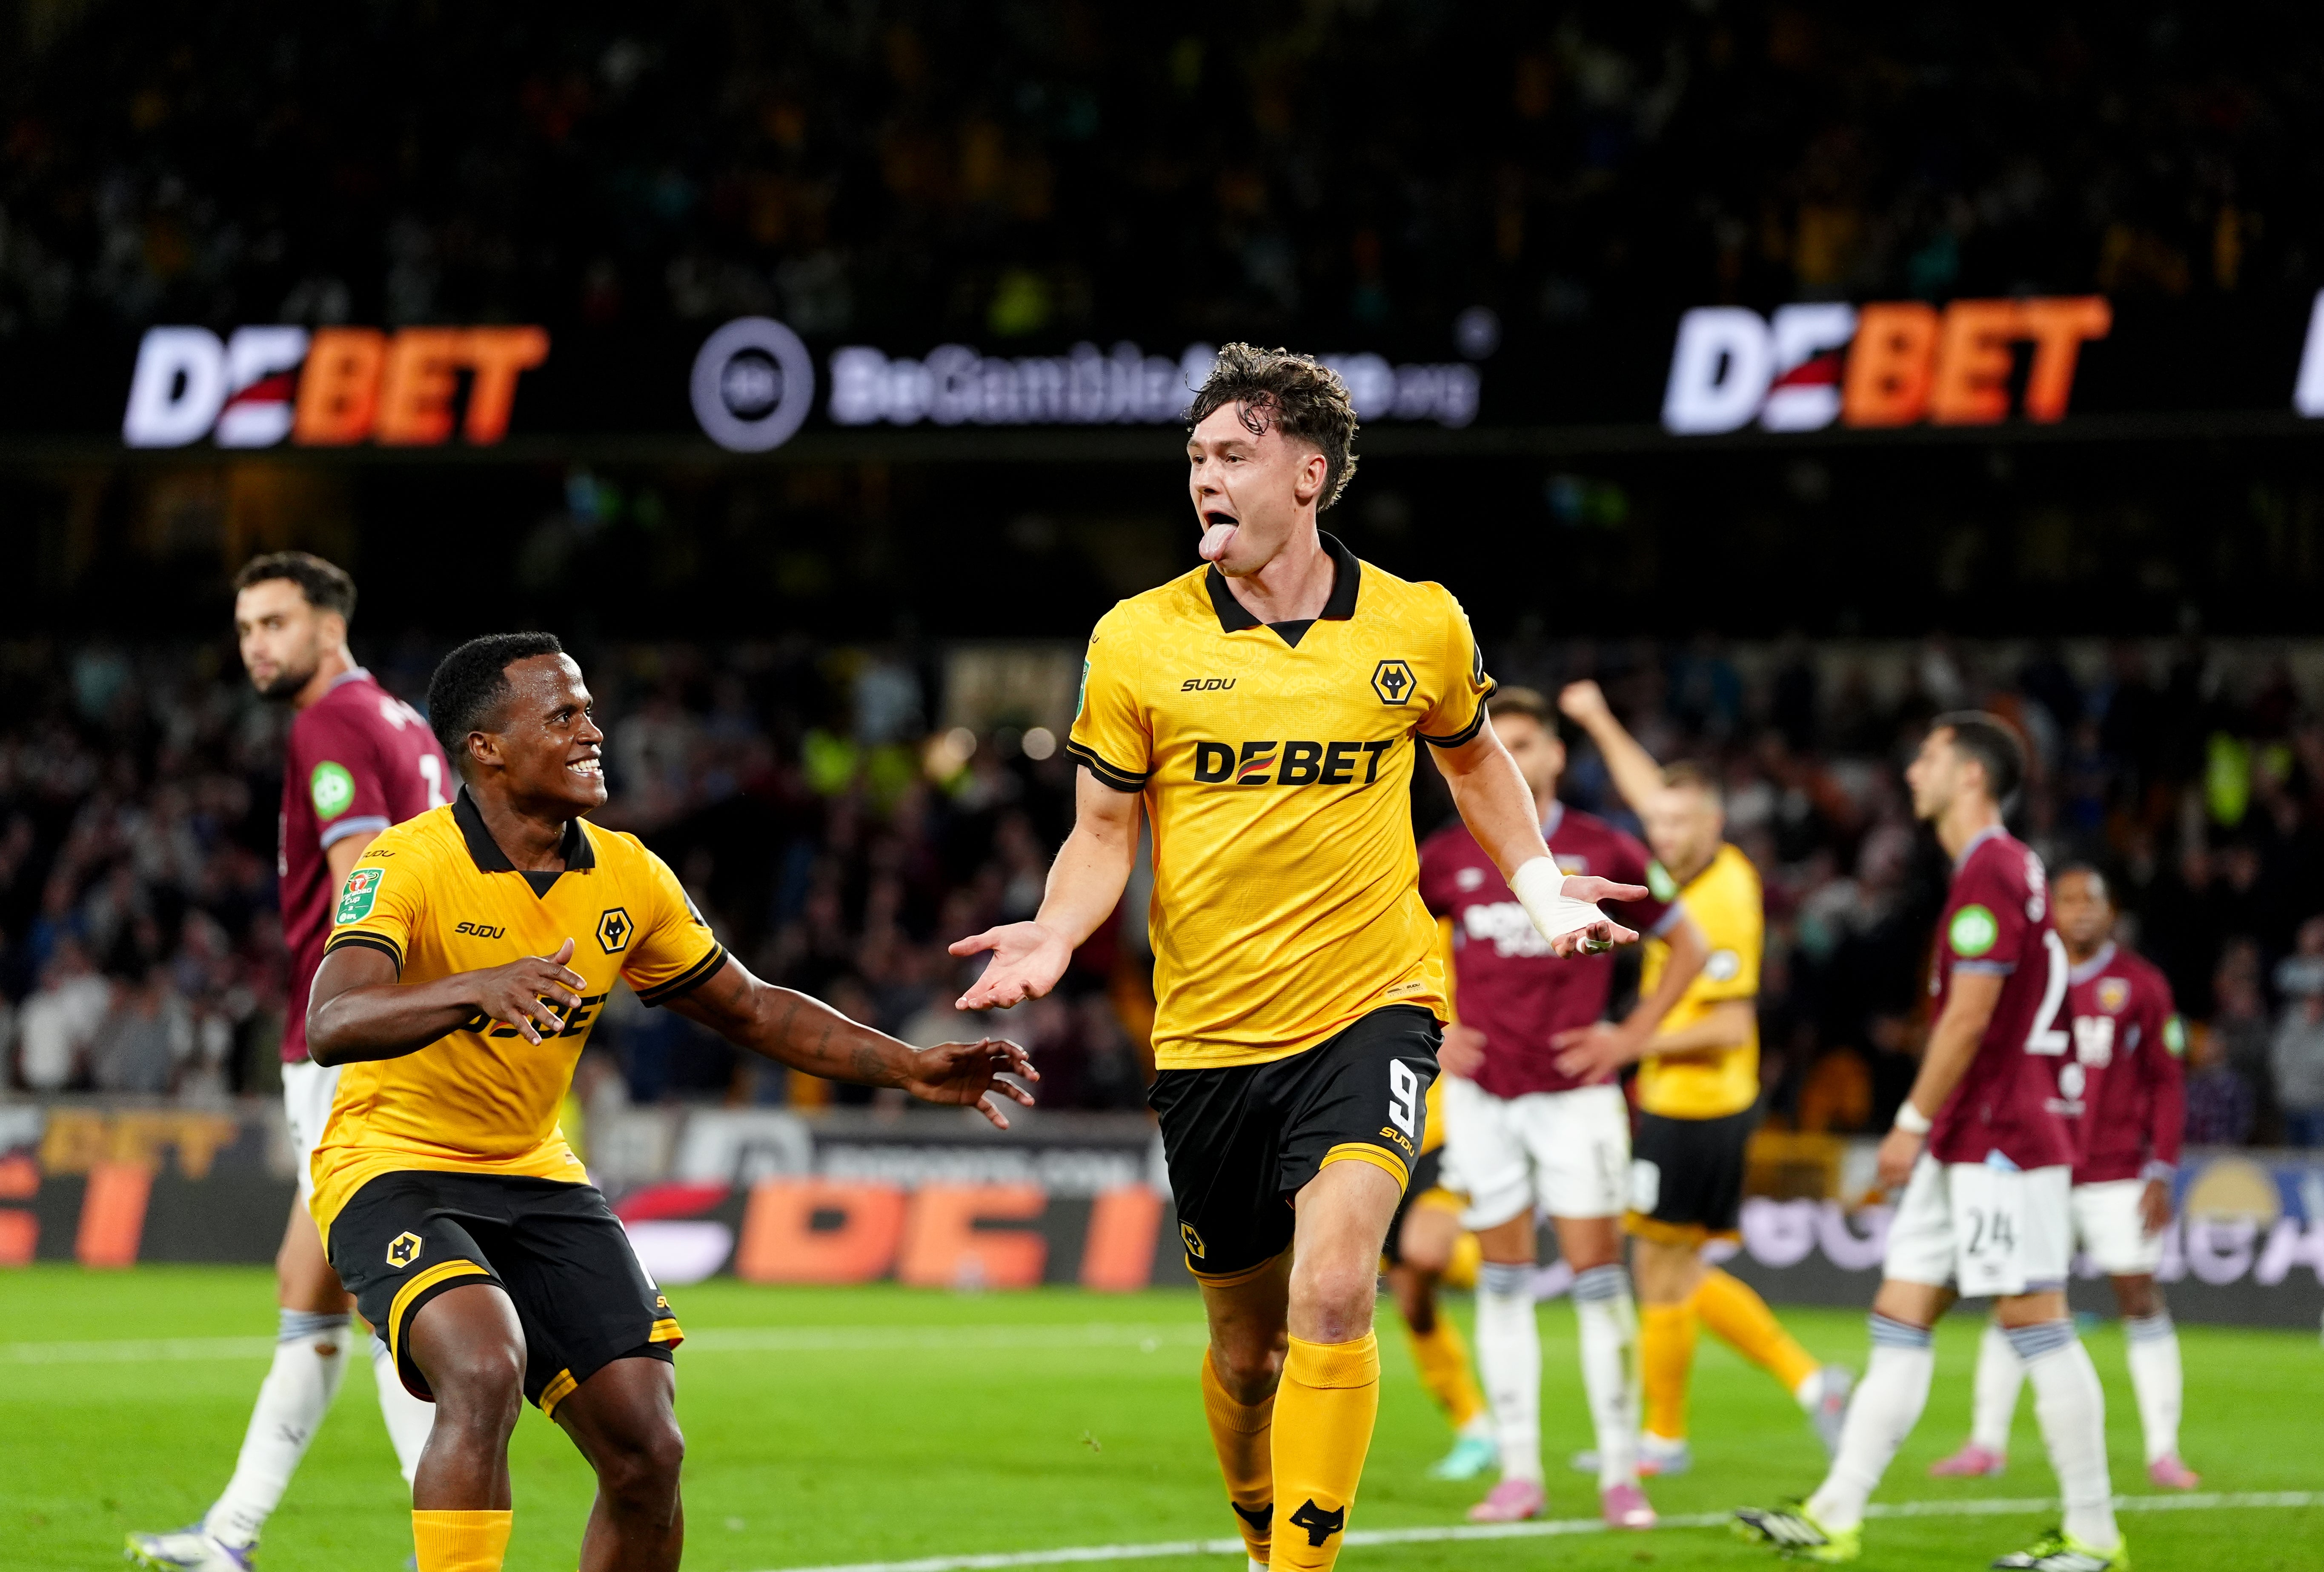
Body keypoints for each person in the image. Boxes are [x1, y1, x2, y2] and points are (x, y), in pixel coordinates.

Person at [948, 344, 1643, 1572]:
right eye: (1195, 461)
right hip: (1210, 1035)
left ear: (1306, 474)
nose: (1204, 480)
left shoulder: (1417, 622)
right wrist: (1056, 931)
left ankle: (1300, 1567)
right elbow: (1102, 831)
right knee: (1246, 1351)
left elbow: (1476, 765)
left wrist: (1538, 887)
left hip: (1373, 1004)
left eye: (1232, 457)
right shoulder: (1138, 639)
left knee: (1335, 1291)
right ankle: (1261, 1526)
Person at [302, 632, 1034, 1572]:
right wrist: (472, 985)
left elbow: (748, 1004)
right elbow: (336, 1017)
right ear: (485, 747)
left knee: (649, 1447)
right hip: (390, 1165)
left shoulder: (628, 873)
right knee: (483, 1368)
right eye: (561, 713)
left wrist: (910, 1067)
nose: (592, 730)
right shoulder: (409, 863)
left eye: (589, 709)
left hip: (531, 1169)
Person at [1736, 713, 2124, 1571]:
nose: (1914, 768)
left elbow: (1971, 1016)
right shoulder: (2000, 868)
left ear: (1973, 775)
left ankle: (2096, 1534)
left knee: (2035, 1320)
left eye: (1933, 756)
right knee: (1899, 1316)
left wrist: (1909, 1121)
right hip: (1970, 1137)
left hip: (2003, 1138)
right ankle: (1837, 1511)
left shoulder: (1991, 867)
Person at [132, 552, 448, 1572]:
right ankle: (232, 1532)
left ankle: (444, 1544)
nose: (257, 644)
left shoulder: (332, 726)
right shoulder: (399, 719)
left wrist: (368, 1024)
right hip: (384, 1033)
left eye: (274, 622)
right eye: (245, 628)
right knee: (309, 1280)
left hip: (353, 1035)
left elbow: (367, 885)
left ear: (327, 623)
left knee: (377, 1288)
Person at [1414, 683, 1707, 1529]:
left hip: (1578, 1097)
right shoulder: (1450, 850)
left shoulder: (1601, 843)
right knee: (1502, 1282)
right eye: (1496, 740)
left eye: (1527, 742)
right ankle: (1519, 1471)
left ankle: (1621, 1473)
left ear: (1552, 755)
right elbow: (1392, 936)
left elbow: (1687, 941)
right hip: (1485, 1094)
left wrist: (1632, 1037)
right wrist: (1440, 1025)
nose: (1513, 753)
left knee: (1597, 1277)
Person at [1555, 681, 1851, 1478]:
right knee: (1678, 1269)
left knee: (1657, 1265)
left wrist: (1632, 1041)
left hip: (1699, 1105)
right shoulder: (1687, 855)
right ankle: (1812, 1383)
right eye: (1657, 821)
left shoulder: (1723, 899)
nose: (1663, 830)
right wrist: (1597, 719)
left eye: (1679, 821)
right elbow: (1656, 792)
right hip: (1699, 1104)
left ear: (1714, 824)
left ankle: (1667, 1437)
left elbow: (1730, 1022)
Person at [1929, 865, 2196, 1489]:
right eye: (2067, 899)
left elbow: (2167, 1082)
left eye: (2091, 899)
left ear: (2112, 911)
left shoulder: (2141, 983)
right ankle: (1986, 1442)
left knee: (2138, 1293)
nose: (2078, 910)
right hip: (2038, 1164)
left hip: (2115, 1173)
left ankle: (2164, 1449)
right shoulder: (2025, 979)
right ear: (2049, 909)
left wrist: (2161, 1168)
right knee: (2014, 1297)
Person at [1380, 1056, 1495, 1481]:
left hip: (1445, 1133)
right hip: (1378, 1139)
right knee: (1413, 1303)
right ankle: (1474, 1428)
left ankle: (1488, 1261)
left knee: (1425, 1253)